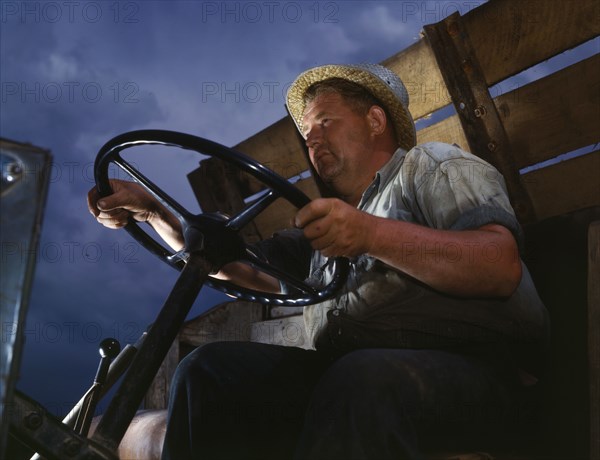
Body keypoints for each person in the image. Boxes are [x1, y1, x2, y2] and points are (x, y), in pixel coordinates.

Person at [88, 63, 549, 459]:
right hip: (350, 378)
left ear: (374, 120)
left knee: (361, 378)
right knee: (209, 370)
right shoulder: (324, 229)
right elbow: (234, 265)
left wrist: (370, 234)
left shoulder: (433, 167)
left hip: (473, 378)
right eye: (307, 133)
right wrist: (155, 213)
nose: (313, 139)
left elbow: (499, 264)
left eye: (325, 122)